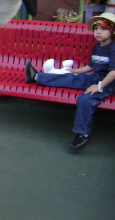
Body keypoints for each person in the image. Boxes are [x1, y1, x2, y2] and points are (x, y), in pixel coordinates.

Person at [25, 12, 115, 151]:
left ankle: (83, 134)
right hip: (95, 78)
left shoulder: (113, 48)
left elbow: (114, 72)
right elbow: (91, 67)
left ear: (112, 30)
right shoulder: (97, 47)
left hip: (108, 84)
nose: (98, 32)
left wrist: (99, 86)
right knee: (70, 78)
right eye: (96, 29)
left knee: (85, 99)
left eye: (103, 29)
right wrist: (74, 71)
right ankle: (37, 77)